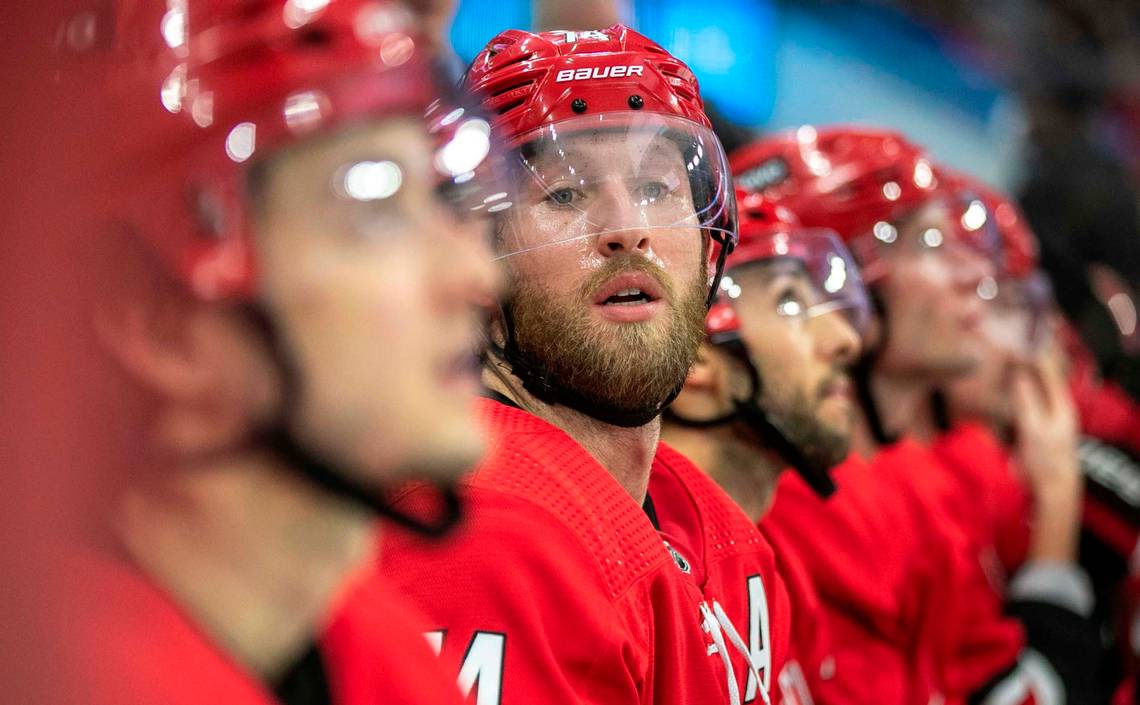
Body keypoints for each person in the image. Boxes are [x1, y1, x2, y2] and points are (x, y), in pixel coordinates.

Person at [34, 1, 501, 703]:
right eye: (371, 205)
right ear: (165, 325)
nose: (476, 278)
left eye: (437, 198)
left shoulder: (362, 647)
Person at [372, 25, 794, 705]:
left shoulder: (722, 535)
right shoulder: (483, 538)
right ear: (475, 259)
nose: (628, 228)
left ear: (712, 247)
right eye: (565, 194)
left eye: (657, 188)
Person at [732, 126, 1101, 705]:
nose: (970, 275)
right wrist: (1057, 497)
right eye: (931, 245)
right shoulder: (794, 502)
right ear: (836, 280)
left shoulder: (912, 488)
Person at [662, 189, 881, 704]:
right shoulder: (647, 564)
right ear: (697, 362)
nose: (845, 339)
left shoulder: (778, 572)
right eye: (789, 302)